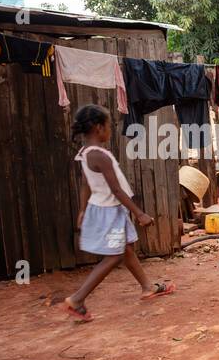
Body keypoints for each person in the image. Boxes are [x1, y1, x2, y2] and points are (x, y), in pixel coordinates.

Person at [61, 105, 175, 321]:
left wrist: (83, 209)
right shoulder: (100, 155)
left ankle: (147, 287)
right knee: (114, 255)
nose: (110, 130)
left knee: (126, 249)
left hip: (103, 208)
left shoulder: (85, 153)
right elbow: (116, 189)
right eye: (109, 126)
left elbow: (86, 183)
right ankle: (77, 299)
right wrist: (139, 213)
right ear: (98, 127)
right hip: (108, 212)